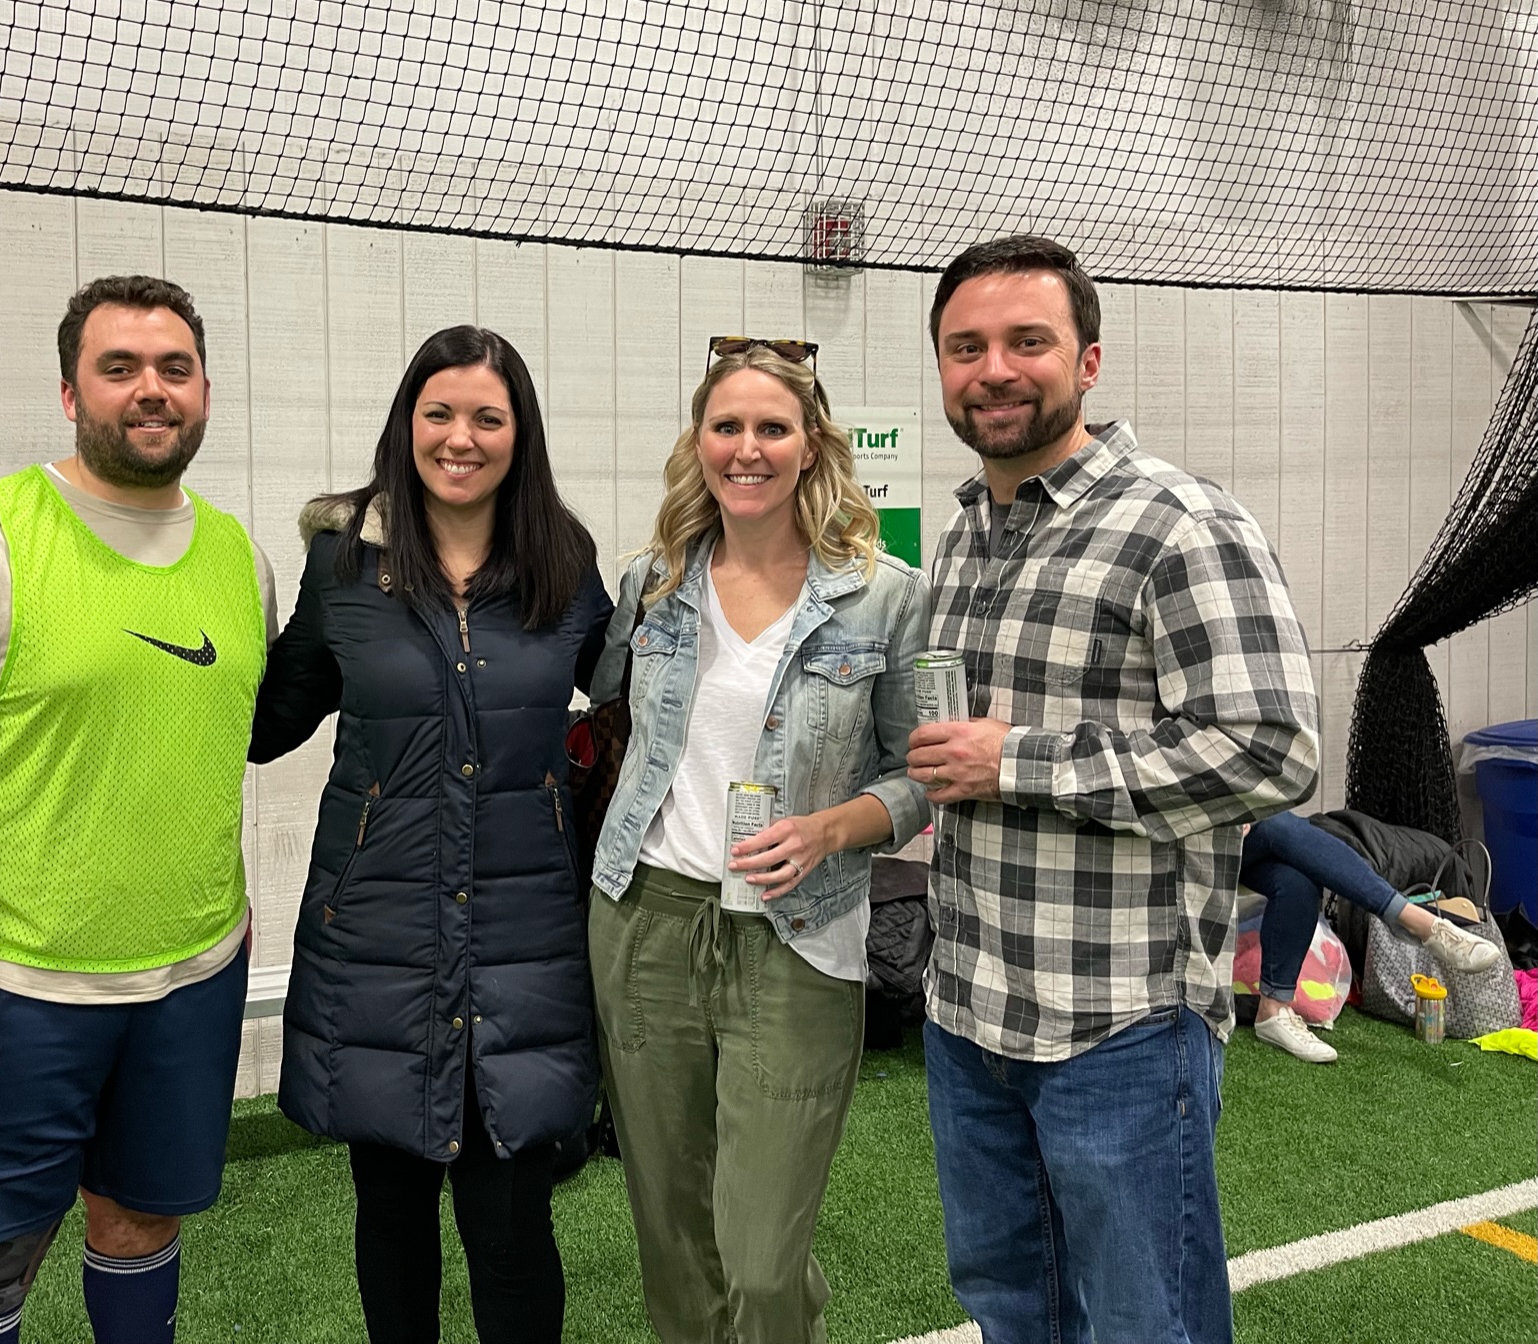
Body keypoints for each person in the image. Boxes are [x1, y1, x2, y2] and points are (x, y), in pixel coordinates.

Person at [909, 235, 1322, 1344]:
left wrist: (1017, 761)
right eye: (965, 347)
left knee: (1147, 1322)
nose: (994, 370)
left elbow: (1271, 750)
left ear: (1087, 361)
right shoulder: (963, 537)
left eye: (1026, 341)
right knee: (1012, 1306)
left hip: (1119, 1022)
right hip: (969, 1011)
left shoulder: (1178, 522)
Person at [0, 275, 277, 1344]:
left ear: (205, 390)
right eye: (118, 367)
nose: (150, 389)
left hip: (191, 978)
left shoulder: (243, 559)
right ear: (69, 392)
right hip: (16, 990)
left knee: (140, 1224)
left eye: (174, 368)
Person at [248, 326, 611, 1344]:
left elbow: (634, 701)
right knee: (393, 1217)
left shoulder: (564, 562)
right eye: (439, 413)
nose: (461, 437)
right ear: (406, 424)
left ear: (519, 433)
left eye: (487, 417)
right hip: (378, 941)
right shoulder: (344, 564)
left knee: (513, 1229)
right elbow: (267, 722)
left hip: (525, 941)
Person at [585, 339, 931, 1344]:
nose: (747, 449)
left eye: (771, 428)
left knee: (762, 1258)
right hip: (645, 921)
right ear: (698, 441)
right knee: (672, 1236)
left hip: (798, 935)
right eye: (726, 426)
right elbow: (603, 714)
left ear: (811, 445)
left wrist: (832, 827)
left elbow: (921, 776)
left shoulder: (884, 595)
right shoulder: (651, 582)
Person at [1240, 810, 1501, 1062]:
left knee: (1297, 882)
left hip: (1238, 833)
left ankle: (1273, 1009)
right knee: (1277, 823)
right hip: (1215, 833)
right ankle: (1415, 921)